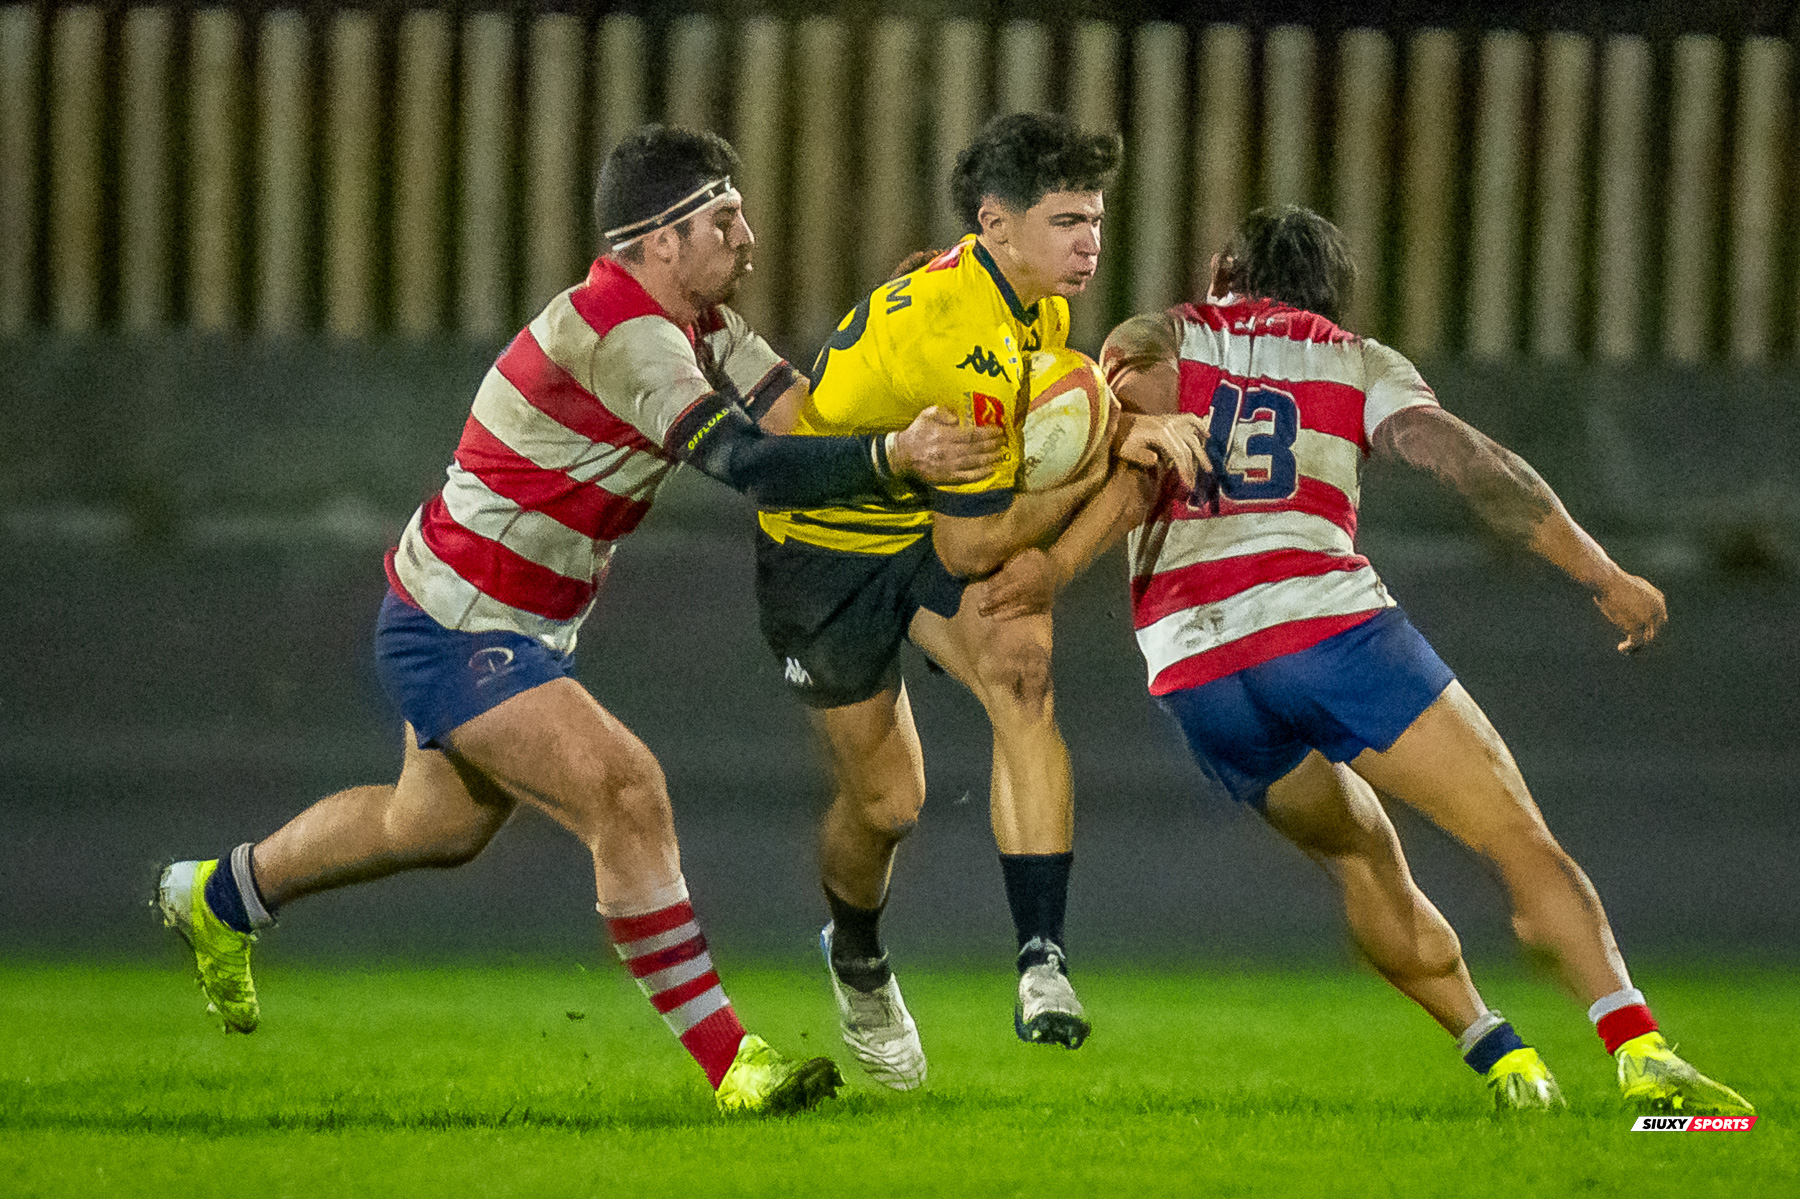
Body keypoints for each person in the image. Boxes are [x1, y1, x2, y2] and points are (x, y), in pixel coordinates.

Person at [154, 125, 1011, 1117]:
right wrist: (894, 459)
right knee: (627, 788)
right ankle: (737, 1064)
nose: (750, 236)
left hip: (477, 611)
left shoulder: (697, 321)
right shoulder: (628, 336)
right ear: (659, 240)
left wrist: (904, 331)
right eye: (722, 219)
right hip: (458, 624)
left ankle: (217, 896)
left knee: (431, 823)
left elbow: (805, 419)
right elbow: (748, 465)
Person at [987, 204, 1754, 1115]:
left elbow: (1122, 458)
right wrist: (1603, 573)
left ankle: (1503, 1058)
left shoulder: (1157, 336)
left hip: (1196, 668)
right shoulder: (1354, 359)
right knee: (1516, 841)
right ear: (1328, 294)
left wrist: (1054, 569)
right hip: (1328, 631)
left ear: (1223, 269)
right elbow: (1468, 462)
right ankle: (1643, 1054)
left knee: (1360, 856)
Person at [754, 112, 1204, 1089]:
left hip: (914, 521)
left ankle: (1041, 959)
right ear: (997, 225)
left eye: (1096, 219)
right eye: (1066, 221)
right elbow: (978, 537)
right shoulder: (965, 338)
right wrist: (1106, 454)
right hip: (822, 551)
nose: (1090, 242)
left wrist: (1121, 424)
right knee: (890, 803)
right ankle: (859, 958)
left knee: (1022, 666)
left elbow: (1002, 471)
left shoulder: (1025, 303)